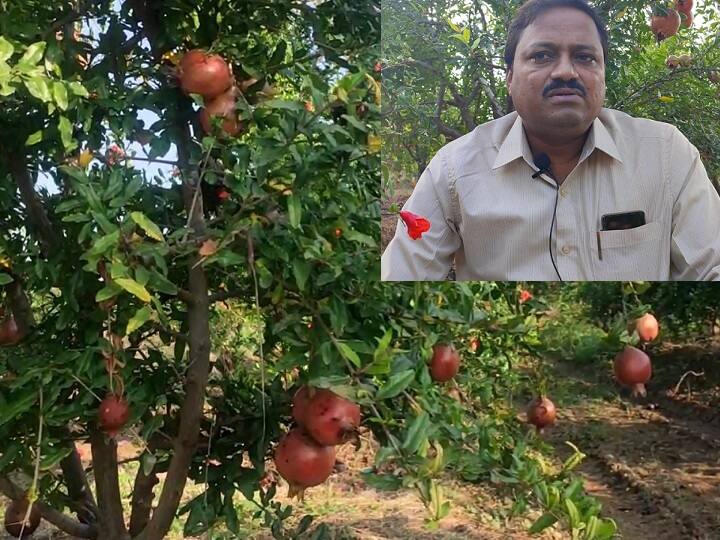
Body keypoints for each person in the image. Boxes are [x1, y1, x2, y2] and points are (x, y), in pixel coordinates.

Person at [381, 0, 720, 281]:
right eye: (542, 55)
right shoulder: (453, 170)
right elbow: (403, 279)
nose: (565, 72)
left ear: (603, 75)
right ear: (510, 77)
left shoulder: (665, 154)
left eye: (585, 57)